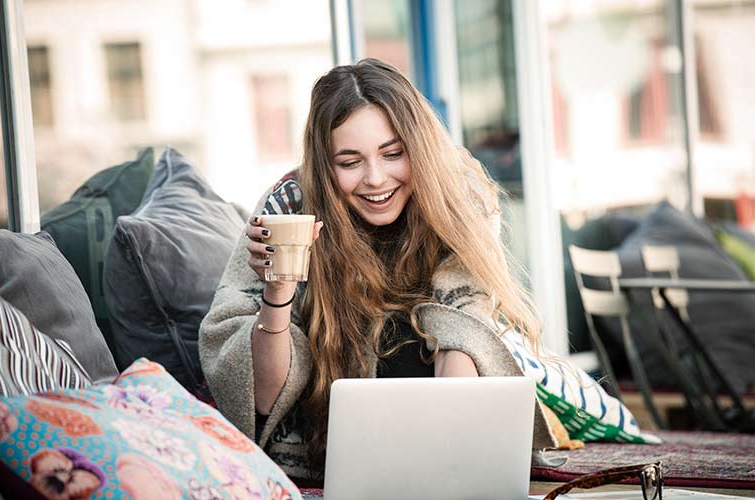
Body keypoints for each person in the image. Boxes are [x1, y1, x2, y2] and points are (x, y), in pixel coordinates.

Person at [199, 58, 556, 483]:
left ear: (418, 148)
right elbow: (261, 398)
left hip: (442, 431)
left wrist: (449, 462)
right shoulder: (289, 207)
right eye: (349, 162)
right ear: (324, 165)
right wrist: (278, 293)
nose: (375, 178)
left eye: (393, 154)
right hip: (320, 451)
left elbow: (464, 334)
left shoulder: (459, 194)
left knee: (464, 340)